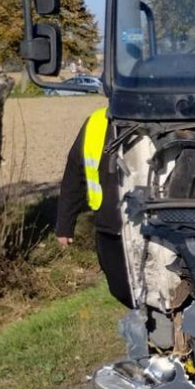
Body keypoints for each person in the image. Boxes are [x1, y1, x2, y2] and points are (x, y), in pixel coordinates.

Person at [56, 107, 133, 307]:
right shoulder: (96, 123)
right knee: (123, 292)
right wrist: (65, 224)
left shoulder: (178, 117)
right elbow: (74, 173)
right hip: (111, 230)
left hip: (161, 228)